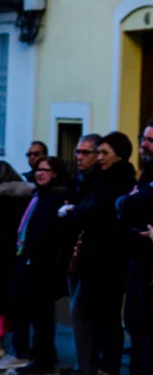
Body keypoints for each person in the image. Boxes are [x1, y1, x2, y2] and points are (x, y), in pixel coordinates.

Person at [66, 131, 136, 375]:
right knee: (92, 315)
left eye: (104, 153)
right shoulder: (100, 178)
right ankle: (91, 365)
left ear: (119, 155)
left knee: (106, 318)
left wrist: (80, 212)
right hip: (93, 260)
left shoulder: (122, 180)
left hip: (110, 261)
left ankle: (107, 367)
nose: (100, 157)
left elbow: (98, 213)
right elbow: (87, 209)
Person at [9, 157, 74, 374]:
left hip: (43, 267)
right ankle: (41, 356)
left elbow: (51, 233)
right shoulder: (38, 195)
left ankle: (43, 360)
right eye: (38, 169)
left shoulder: (56, 198)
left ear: (55, 173)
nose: (40, 173)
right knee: (35, 315)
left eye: (45, 170)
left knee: (42, 318)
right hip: (28, 262)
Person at [0, 161, 33, 365]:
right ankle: (7, 346)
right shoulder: (27, 197)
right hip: (15, 257)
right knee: (11, 305)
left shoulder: (0, 199)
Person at [58, 133, 101, 375]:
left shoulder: (97, 182)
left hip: (91, 258)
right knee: (78, 316)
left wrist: (73, 211)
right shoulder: (78, 181)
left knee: (82, 314)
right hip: (73, 254)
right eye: (77, 152)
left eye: (86, 152)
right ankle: (81, 364)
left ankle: (88, 367)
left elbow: (85, 213)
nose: (79, 157)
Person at [116, 120, 153, 375]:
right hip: (139, 267)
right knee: (136, 327)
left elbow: (129, 206)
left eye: (151, 141)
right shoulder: (145, 177)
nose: (144, 144)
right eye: (144, 138)